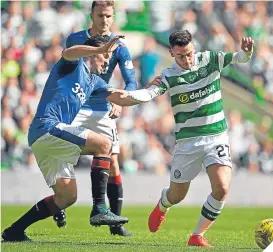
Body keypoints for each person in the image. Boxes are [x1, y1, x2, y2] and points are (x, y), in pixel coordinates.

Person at [108, 30, 254, 247]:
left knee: (222, 187)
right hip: (188, 143)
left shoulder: (211, 59)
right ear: (171, 53)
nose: (187, 60)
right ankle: (163, 204)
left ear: (194, 46)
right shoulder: (168, 75)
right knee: (177, 194)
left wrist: (246, 53)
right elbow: (149, 94)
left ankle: (197, 236)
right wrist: (127, 95)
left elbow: (239, 58)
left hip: (216, 137)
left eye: (189, 54)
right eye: (181, 56)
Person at [1, 35, 131, 242]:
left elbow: (121, 96)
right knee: (104, 144)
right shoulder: (74, 64)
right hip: (47, 127)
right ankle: (99, 207)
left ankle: (14, 231)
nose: (108, 62)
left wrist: (154, 90)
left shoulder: (95, 81)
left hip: (47, 139)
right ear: (94, 52)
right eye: (105, 56)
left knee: (66, 197)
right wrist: (101, 49)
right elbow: (68, 52)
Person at [53, 0, 137, 236]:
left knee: (113, 162)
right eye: (100, 15)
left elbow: (131, 81)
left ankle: (116, 222)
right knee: (62, 157)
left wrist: (119, 99)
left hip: (102, 107)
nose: (105, 20)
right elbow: (64, 71)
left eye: (109, 16)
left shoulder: (119, 46)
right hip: (75, 107)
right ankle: (59, 202)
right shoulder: (75, 39)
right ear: (91, 15)